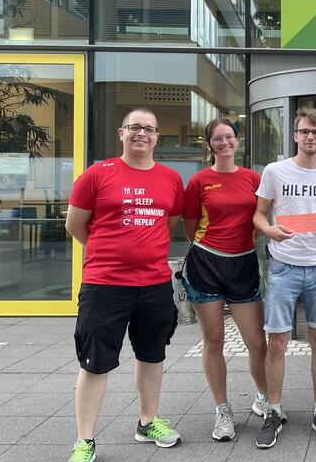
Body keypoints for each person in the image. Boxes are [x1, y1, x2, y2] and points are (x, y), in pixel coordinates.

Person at [65, 108, 185, 462]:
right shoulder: (96, 175)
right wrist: (109, 252)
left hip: (154, 283)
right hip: (105, 284)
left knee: (152, 354)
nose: (141, 134)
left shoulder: (170, 179)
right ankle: (84, 440)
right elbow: (75, 225)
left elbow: (169, 224)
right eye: (135, 128)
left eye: (149, 129)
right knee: (95, 362)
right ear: (121, 133)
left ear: (157, 136)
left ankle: (148, 422)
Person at [252, 108, 316, 448]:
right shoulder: (275, 171)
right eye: (304, 131)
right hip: (283, 266)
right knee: (277, 342)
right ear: (295, 135)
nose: (310, 137)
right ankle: (273, 410)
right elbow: (259, 215)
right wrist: (270, 231)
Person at [181, 118, 268, 442]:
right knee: (214, 341)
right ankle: (223, 410)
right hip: (206, 265)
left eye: (229, 137)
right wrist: (215, 245)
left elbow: (259, 219)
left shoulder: (252, 178)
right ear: (209, 144)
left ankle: (263, 398)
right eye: (217, 138)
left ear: (236, 140)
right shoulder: (199, 181)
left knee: (257, 342)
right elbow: (190, 228)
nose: (224, 142)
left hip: (243, 263)